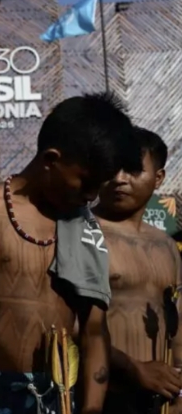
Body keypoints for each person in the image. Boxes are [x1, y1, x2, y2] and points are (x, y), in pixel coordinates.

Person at [0, 93, 143, 414]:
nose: (91, 197)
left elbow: (94, 332)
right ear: (51, 160)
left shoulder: (82, 228)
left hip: (58, 397)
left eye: (99, 187)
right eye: (86, 183)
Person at [91, 127, 182, 413]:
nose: (119, 179)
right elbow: (67, 323)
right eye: (111, 168)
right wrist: (135, 369)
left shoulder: (166, 244)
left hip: (160, 400)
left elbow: (176, 324)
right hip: (99, 395)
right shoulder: (81, 234)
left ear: (158, 178)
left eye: (132, 170)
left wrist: (178, 388)